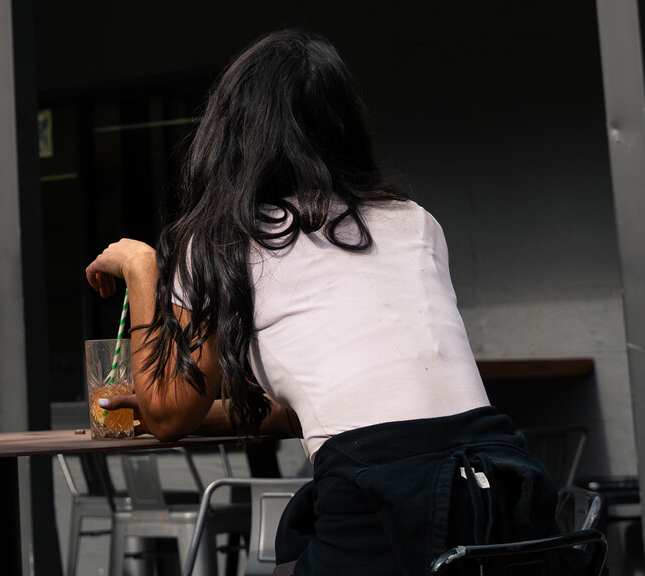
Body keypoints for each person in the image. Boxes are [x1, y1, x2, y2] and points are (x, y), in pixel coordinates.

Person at [84, 31, 558, 576]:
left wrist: (143, 268)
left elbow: (169, 415)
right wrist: (184, 410)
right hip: (503, 492)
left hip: (380, 505)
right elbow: (337, 408)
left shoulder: (220, 241)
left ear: (231, 132)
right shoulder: (413, 220)